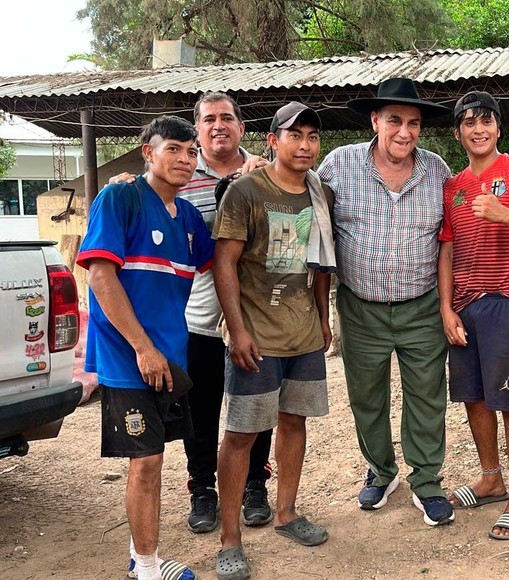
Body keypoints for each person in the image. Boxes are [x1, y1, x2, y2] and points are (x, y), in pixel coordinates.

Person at [112, 91, 274, 534]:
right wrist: (131, 185)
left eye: (227, 118)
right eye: (208, 120)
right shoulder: (179, 175)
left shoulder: (266, 172)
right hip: (198, 312)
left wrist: (265, 180)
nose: (218, 125)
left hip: (257, 310)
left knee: (256, 404)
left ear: (242, 127)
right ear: (197, 131)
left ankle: (255, 486)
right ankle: (203, 488)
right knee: (201, 408)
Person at [77, 116, 213, 580]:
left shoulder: (190, 218)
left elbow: (228, 259)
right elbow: (98, 275)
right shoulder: (120, 197)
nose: (184, 159)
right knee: (147, 461)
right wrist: (142, 347)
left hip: (170, 356)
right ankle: (148, 568)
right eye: (173, 148)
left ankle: (143, 558)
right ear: (147, 152)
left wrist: (255, 172)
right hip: (129, 357)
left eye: (191, 152)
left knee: (155, 460)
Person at [318, 78, 455, 527]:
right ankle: (381, 469)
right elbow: (298, 198)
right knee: (367, 395)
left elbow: (452, 238)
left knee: (427, 395)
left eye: (413, 123)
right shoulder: (339, 165)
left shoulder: (437, 171)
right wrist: (256, 167)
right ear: (375, 121)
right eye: (394, 120)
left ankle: (427, 480)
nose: (404, 131)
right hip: (360, 307)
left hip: (421, 305)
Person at [212, 102, 335, 580]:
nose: (304, 145)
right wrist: (237, 328)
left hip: (303, 334)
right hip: (256, 334)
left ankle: (286, 513)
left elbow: (321, 263)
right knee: (241, 433)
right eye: (294, 135)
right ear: (272, 139)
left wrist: (324, 319)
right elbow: (224, 264)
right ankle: (230, 539)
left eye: (312, 137)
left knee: (294, 421)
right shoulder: (245, 191)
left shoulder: (319, 193)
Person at [438, 91, 509, 540]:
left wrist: (504, 213)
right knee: (474, 396)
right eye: (468, 122)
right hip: (466, 306)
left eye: (485, 120)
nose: (478, 128)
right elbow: (446, 250)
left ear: (498, 128)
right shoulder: (454, 187)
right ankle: (491, 476)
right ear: (458, 133)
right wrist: (446, 308)